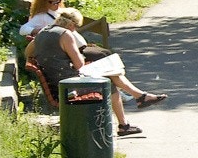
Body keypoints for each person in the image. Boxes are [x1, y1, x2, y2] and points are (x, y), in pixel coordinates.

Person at [27, 8, 166, 136]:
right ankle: (127, 119)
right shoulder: (66, 34)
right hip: (70, 84)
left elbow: (27, 52)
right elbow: (79, 64)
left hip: (57, 80)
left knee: (110, 71)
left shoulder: (43, 32)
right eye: (76, 27)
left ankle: (140, 98)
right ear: (71, 25)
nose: (75, 29)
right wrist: (79, 57)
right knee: (109, 80)